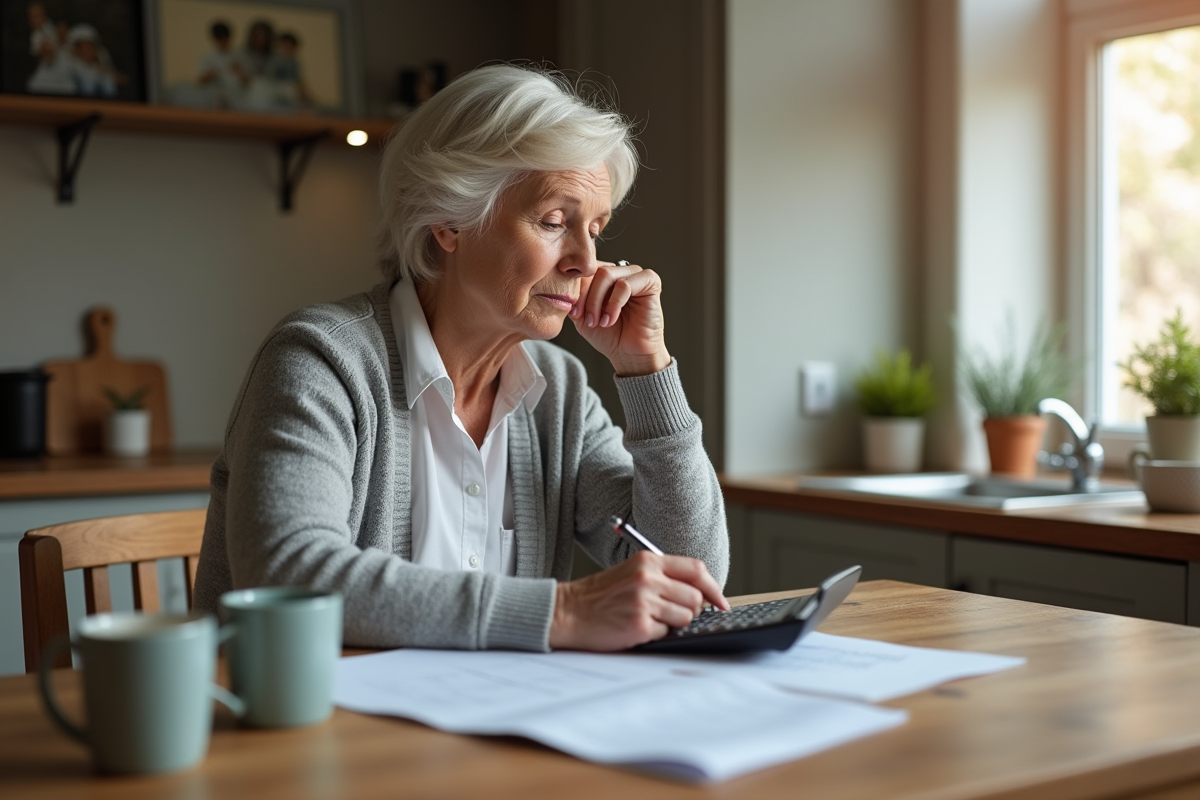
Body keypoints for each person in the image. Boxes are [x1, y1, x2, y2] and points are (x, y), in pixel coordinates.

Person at [193, 64, 730, 652]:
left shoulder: (559, 391)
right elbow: (287, 575)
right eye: (554, 222)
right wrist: (562, 611)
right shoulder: (321, 361)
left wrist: (647, 369)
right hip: (309, 708)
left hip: (490, 708)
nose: (585, 260)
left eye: (596, 229)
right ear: (449, 221)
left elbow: (691, 574)